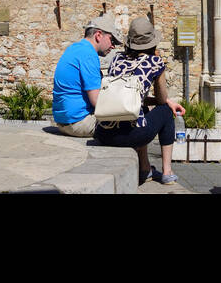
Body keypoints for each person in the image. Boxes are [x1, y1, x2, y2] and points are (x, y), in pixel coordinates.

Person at [93, 17, 185, 186]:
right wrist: (169, 102)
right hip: (131, 136)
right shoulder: (155, 62)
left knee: (142, 109)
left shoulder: (117, 59)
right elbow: (161, 99)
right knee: (164, 111)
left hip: (104, 133)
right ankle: (167, 172)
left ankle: (145, 169)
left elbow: (131, 96)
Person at [51, 15, 119, 137]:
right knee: (136, 121)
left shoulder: (74, 48)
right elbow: (97, 101)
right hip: (79, 122)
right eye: (112, 40)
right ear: (98, 35)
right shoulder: (89, 55)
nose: (113, 46)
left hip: (63, 121)